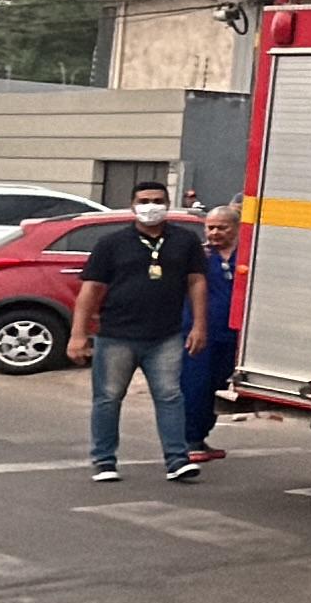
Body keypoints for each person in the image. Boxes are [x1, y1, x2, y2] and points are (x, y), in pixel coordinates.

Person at [71, 181, 210, 484]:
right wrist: (78, 334)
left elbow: (197, 282)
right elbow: (91, 289)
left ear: (168, 203)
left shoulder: (185, 241)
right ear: (133, 206)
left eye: (158, 200)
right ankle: (104, 461)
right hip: (116, 335)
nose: (151, 206)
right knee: (108, 398)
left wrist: (199, 326)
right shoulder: (111, 243)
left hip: (166, 335)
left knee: (170, 396)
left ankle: (177, 460)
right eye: (144, 201)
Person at [181, 201, 241, 462]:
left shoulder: (248, 256)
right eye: (210, 228)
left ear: (236, 228)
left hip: (233, 336)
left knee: (218, 386)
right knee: (196, 386)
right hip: (199, 334)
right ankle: (190, 441)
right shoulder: (197, 258)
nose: (215, 233)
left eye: (222, 228)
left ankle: (202, 438)